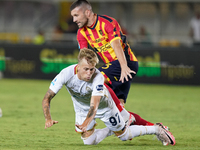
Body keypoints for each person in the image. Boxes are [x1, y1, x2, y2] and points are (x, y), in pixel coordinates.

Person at [42, 48, 175, 146]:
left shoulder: (98, 77)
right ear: (78, 67)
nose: (89, 73)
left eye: (92, 69)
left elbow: (95, 105)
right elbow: (47, 98)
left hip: (104, 106)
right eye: (86, 69)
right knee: (89, 142)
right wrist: (48, 118)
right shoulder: (65, 74)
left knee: (124, 136)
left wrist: (86, 122)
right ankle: (123, 120)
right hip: (81, 108)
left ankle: (156, 129)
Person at [70, 0, 159, 127]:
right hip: (115, 68)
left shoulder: (107, 23)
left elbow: (116, 45)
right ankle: (156, 128)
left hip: (126, 63)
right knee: (118, 111)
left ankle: (88, 122)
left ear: (87, 12)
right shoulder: (81, 33)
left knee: (96, 79)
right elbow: (84, 58)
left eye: (76, 15)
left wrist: (123, 67)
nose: (74, 20)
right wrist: (79, 75)